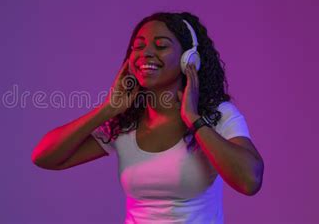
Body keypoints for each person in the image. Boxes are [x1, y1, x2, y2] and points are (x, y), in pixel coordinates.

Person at [31, 11, 264, 223]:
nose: (146, 53)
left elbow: (249, 181)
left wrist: (194, 119)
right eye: (138, 47)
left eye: (161, 46)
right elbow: (45, 157)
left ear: (189, 59)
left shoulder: (217, 115)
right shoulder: (125, 123)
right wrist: (108, 109)